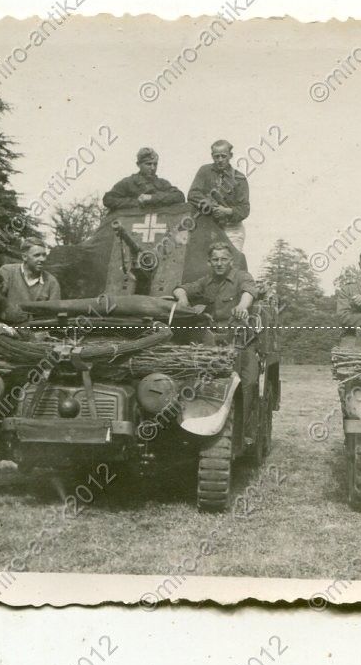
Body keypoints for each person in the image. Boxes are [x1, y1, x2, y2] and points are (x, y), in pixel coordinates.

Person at [173, 242, 260, 443]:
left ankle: (243, 430)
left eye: (223, 259)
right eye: (215, 260)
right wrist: (183, 298)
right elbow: (181, 288)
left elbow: (249, 291)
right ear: (209, 262)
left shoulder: (241, 276)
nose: (219, 263)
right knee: (198, 379)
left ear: (231, 261)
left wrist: (242, 306)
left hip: (240, 340)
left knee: (248, 381)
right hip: (212, 340)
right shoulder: (207, 281)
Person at [187, 140, 250, 251]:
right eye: (216, 156)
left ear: (230, 155)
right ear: (212, 156)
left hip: (232, 228)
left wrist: (226, 211)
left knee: (231, 261)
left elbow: (244, 209)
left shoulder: (240, 178)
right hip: (207, 226)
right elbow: (193, 194)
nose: (220, 160)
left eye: (223, 156)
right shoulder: (205, 171)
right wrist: (210, 205)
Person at [102, 147, 186, 211]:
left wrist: (151, 198)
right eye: (148, 164)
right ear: (138, 164)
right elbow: (108, 199)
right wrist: (136, 202)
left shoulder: (162, 183)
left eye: (155, 164)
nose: (152, 168)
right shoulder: (128, 182)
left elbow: (179, 196)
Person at [0, 238, 62, 320]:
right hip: (7, 327)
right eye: (37, 255)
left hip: (39, 329)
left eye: (44, 255)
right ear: (24, 257)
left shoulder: (51, 281)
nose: (42, 259)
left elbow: (54, 314)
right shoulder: (7, 272)